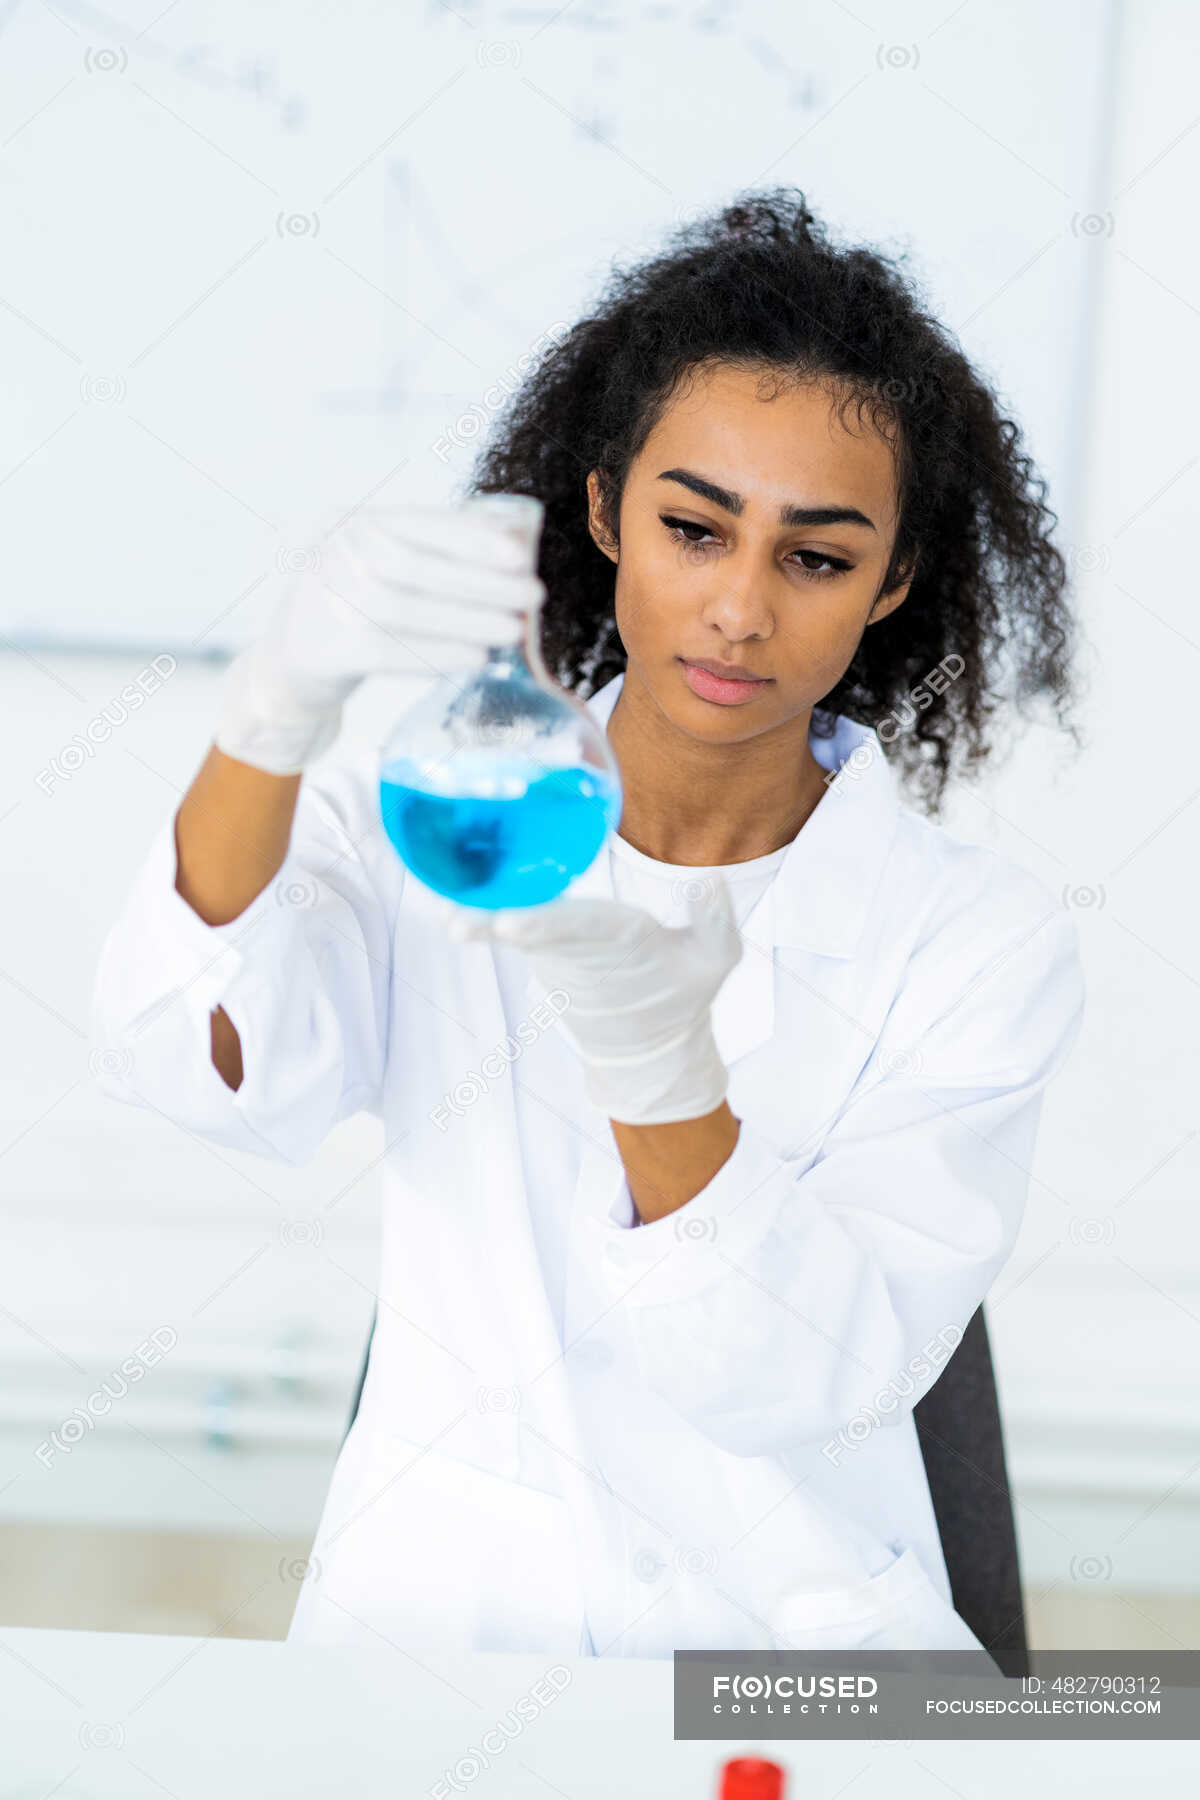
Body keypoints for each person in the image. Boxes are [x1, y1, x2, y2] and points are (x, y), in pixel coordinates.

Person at [92, 188, 1085, 1662]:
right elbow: (204, 1065)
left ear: (895, 580)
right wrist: (272, 715)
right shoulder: (445, 817)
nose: (739, 609)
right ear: (609, 509)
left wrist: (659, 1065)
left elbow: (801, 1378)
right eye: (694, 528)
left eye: (813, 558)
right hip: (437, 1636)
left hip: (796, 1664)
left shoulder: (977, 941)